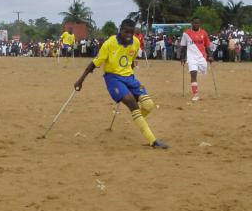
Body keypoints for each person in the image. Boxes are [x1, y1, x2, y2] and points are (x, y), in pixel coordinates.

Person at [74, 19, 168, 149]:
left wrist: (131, 78)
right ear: (120, 30)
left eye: (132, 32)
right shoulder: (109, 43)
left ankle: (137, 118)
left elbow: (131, 61)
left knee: (149, 105)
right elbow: (95, 63)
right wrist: (80, 80)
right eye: (126, 32)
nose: (129, 35)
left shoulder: (135, 42)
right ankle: (152, 140)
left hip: (129, 78)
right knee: (132, 103)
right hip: (113, 78)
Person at [179, 17, 212, 102]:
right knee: (193, 73)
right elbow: (183, 46)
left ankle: (198, 72)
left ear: (200, 24)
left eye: (197, 23)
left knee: (203, 70)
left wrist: (210, 55)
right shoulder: (186, 33)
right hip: (191, 56)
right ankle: (195, 94)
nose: (196, 24)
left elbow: (207, 45)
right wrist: (182, 57)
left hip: (202, 56)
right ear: (191, 23)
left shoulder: (204, 33)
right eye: (194, 23)